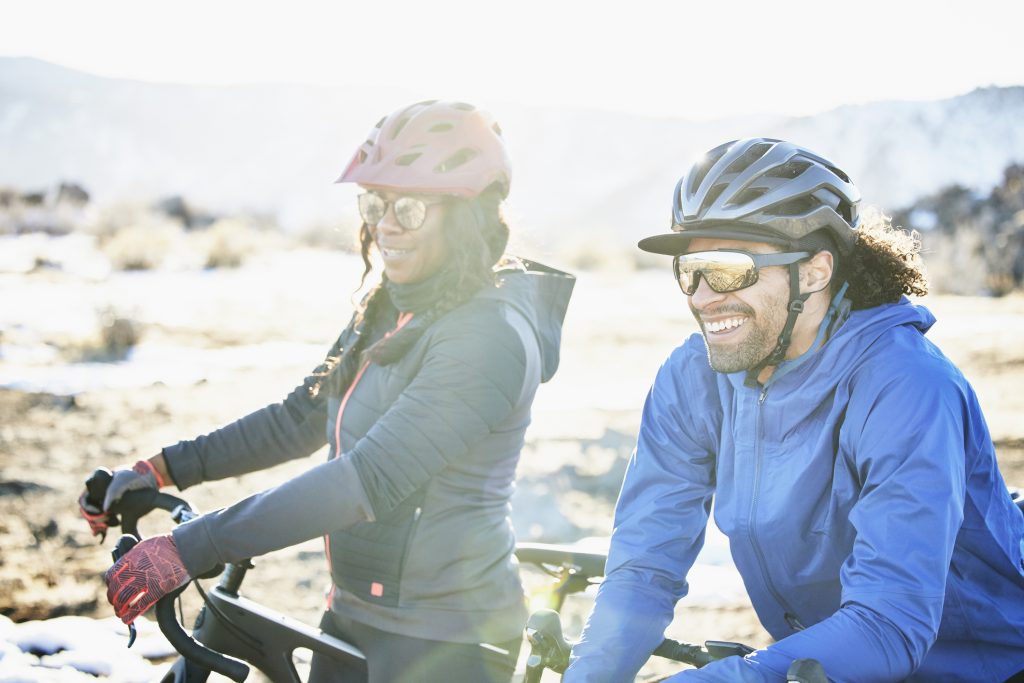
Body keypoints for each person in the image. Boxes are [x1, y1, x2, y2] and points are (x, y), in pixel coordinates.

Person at [79, 100, 575, 683]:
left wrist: (193, 546)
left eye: (410, 208)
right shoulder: (396, 304)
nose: (386, 225)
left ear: (468, 216)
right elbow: (300, 417)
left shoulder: (488, 336)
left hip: (447, 639)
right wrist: (160, 469)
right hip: (354, 616)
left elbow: (365, 480)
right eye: (375, 203)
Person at [564, 138, 1024, 682]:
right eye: (689, 268)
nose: (703, 295)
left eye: (729, 269)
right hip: (825, 664)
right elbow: (644, 569)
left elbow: (889, 622)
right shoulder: (694, 377)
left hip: (980, 665)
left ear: (814, 271)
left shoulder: (906, 385)